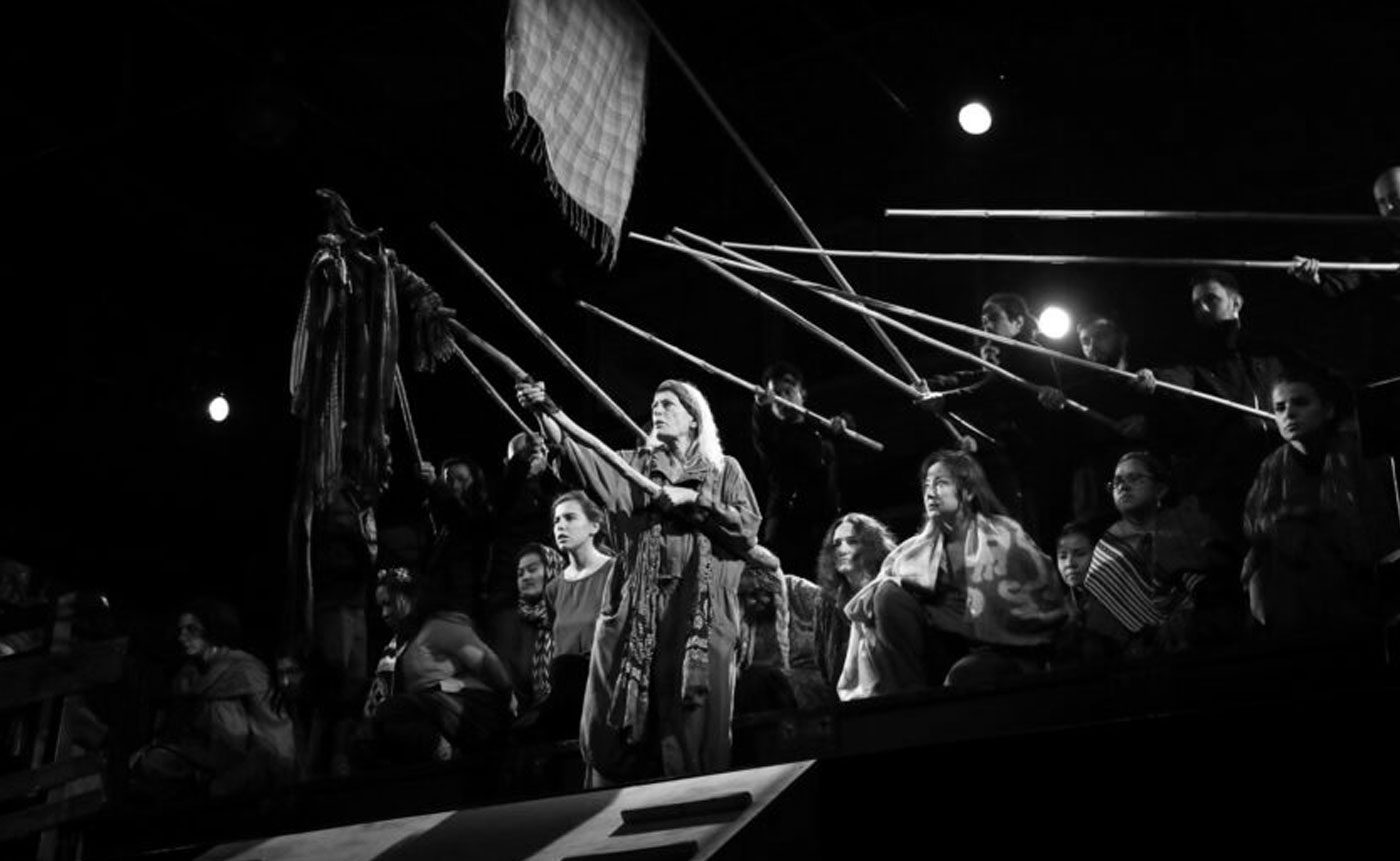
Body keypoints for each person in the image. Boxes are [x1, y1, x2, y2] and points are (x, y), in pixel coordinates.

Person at [516, 377, 760, 784]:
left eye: (668, 404)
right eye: (654, 403)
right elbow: (581, 457)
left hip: (702, 608)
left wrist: (694, 500)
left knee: (698, 717)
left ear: (694, 418)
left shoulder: (723, 470)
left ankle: (699, 800)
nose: (657, 410)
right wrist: (545, 408)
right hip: (641, 607)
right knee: (621, 718)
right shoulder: (635, 466)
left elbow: (747, 528)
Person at [838, 450, 1072, 699]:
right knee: (887, 594)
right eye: (927, 485)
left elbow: (1040, 605)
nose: (930, 493)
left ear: (968, 491)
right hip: (943, 645)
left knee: (966, 675)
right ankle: (908, 699)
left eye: (940, 484)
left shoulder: (1004, 535)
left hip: (1002, 649)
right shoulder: (917, 549)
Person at [1135, 270, 1298, 548]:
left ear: (1236, 303)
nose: (1203, 308)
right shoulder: (1197, 361)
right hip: (1238, 487)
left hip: (1289, 473)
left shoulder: (1267, 350)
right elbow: (1176, 377)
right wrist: (1154, 379)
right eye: (1197, 304)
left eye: (1211, 299)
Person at [1242, 368, 1400, 644]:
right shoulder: (1270, 468)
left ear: (1327, 410)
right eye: (1280, 407)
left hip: (1361, 596)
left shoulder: (1360, 457)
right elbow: (1258, 537)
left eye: (1300, 403)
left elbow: (1382, 533)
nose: (1288, 414)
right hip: (1294, 604)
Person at [921, 293, 1073, 546]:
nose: (986, 325)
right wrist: (936, 385)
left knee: (1039, 528)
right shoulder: (1004, 359)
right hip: (1017, 457)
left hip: (1041, 458)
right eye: (983, 320)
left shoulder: (1029, 354)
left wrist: (946, 399)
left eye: (993, 318)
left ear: (1018, 323)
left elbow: (993, 387)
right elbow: (977, 378)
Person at [129, 599, 295, 800]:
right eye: (180, 630)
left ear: (212, 628)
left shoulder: (244, 669)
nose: (183, 637)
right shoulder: (186, 677)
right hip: (199, 767)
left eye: (192, 629)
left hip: (242, 768)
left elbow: (272, 733)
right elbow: (177, 732)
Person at [1080, 452, 1239, 657]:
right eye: (1117, 482)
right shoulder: (1108, 550)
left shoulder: (1190, 525)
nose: (1123, 486)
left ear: (1161, 490)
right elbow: (1102, 626)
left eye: (1134, 478)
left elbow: (1219, 588)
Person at [360, 567, 514, 765]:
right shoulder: (399, 645)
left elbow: (487, 662)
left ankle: (447, 756)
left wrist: (508, 697)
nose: (384, 613)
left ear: (411, 597)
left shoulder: (440, 626)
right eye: (381, 606)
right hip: (430, 714)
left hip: (469, 713)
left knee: (393, 711)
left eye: (389, 603)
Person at [750, 362, 845, 579]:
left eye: (788, 391)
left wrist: (845, 424)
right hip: (789, 530)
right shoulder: (773, 435)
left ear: (802, 393)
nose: (782, 399)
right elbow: (761, 433)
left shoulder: (820, 429)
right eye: (777, 395)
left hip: (825, 527)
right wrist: (760, 406)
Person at [812, 513, 897, 691]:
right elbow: (826, 663)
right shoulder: (826, 601)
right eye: (836, 544)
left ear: (871, 545)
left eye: (852, 541)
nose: (841, 550)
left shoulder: (890, 588)